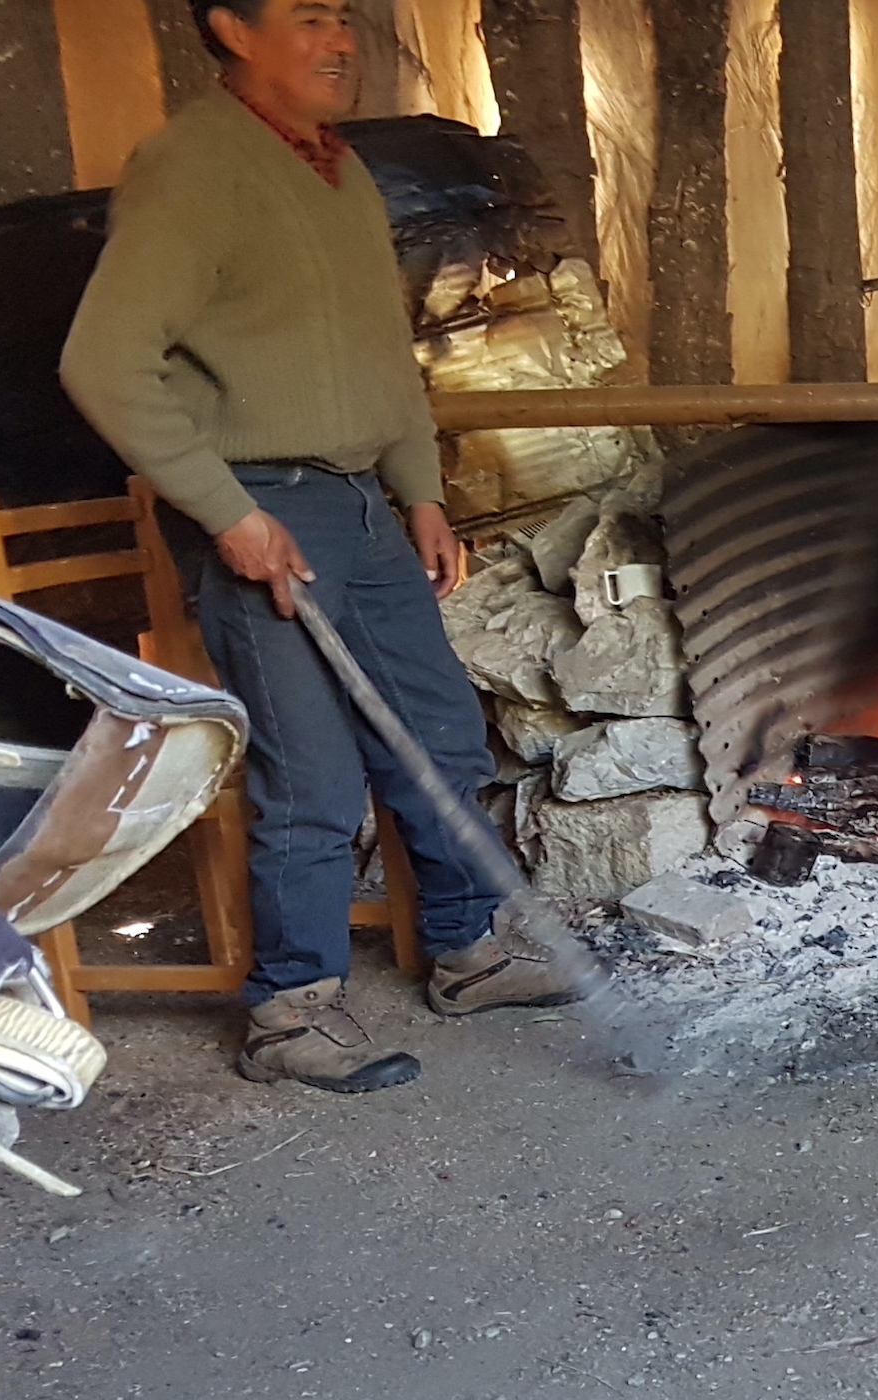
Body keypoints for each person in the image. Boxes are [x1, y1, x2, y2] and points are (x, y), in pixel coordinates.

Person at [58, 0, 586, 1093]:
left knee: (439, 729)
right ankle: (293, 1010)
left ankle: (468, 946)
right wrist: (228, 512)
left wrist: (421, 493)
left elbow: (381, 354)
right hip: (257, 500)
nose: (340, 42)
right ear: (231, 28)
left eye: (344, 19)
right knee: (313, 770)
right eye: (309, 20)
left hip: (358, 505)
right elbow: (104, 363)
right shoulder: (192, 166)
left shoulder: (336, 174)